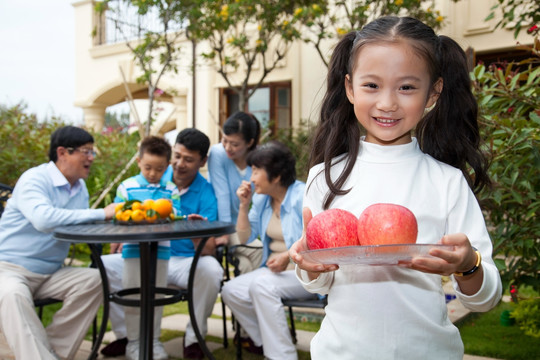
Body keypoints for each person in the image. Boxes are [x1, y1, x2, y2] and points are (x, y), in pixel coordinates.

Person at [289, 16, 503, 360]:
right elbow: (319, 283)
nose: (387, 103)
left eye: (406, 87)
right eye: (371, 85)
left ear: (434, 92)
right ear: (349, 87)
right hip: (340, 353)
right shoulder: (323, 177)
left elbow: (485, 298)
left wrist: (468, 264)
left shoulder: (446, 181)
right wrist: (308, 265)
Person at [101, 128, 222, 360]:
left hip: (182, 260)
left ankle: (193, 338)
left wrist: (194, 228)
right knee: (103, 267)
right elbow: (121, 214)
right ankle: (128, 337)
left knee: (212, 269)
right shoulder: (149, 176)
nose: (179, 164)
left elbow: (209, 249)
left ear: (202, 161)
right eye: (177, 156)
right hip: (140, 252)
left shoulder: (203, 192)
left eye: (188, 159)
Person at [0, 126, 117, 360]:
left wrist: (124, 223)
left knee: (94, 280)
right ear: (62, 152)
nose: (91, 158)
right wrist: (100, 214)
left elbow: (77, 226)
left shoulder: (79, 187)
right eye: (86, 152)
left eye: (92, 152)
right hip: (9, 269)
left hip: (51, 272)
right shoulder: (34, 179)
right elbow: (44, 220)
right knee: (13, 294)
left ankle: (52, 354)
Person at [221, 141, 316, 360]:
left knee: (261, 285)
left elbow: (317, 237)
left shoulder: (304, 196)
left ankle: (282, 356)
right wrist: (244, 206)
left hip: (304, 271)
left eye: (255, 171)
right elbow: (245, 236)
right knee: (231, 290)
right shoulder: (262, 199)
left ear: (276, 175)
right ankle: (270, 342)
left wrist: (287, 255)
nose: (251, 178)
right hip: (275, 272)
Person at [112, 135, 181, 360]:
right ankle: (134, 342)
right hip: (132, 250)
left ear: (167, 166)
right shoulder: (127, 187)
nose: (153, 173)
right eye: (148, 167)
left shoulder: (170, 189)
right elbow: (118, 216)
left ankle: (154, 341)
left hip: (161, 251)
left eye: (159, 169)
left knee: (157, 295)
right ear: (139, 161)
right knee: (133, 295)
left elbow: (176, 215)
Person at [207, 111, 263, 274]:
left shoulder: (258, 158)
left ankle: (242, 297)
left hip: (245, 223)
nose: (227, 148)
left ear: (249, 142)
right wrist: (225, 230)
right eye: (225, 140)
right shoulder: (218, 153)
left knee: (245, 264)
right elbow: (221, 194)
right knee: (260, 250)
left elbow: (260, 199)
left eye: (235, 144)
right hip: (222, 223)